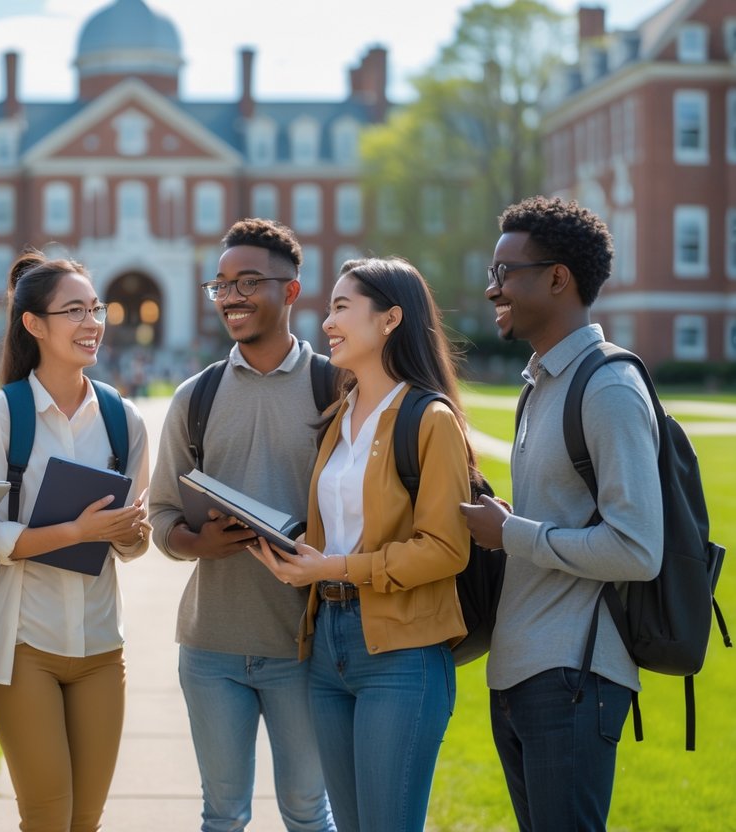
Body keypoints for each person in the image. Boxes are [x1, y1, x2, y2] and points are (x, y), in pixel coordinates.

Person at [249, 257, 473, 832]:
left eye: (343, 308)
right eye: (329, 310)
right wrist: (296, 557)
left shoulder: (430, 419)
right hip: (327, 648)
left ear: (391, 318)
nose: (327, 323)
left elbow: (447, 548)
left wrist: (337, 566)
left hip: (401, 653)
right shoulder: (338, 416)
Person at [460, 196, 662, 831]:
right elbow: (562, 519)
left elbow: (637, 548)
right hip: (520, 671)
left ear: (557, 277)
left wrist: (512, 532)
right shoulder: (541, 383)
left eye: (504, 273)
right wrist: (507, 523)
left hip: (574, 678)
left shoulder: (607, 387)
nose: (493, 288)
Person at [148, 218, 334, 832]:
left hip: (305, 646)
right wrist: (193, 541)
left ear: (292, 291)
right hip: (211, 648)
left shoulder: (336, 389)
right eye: (221, 283)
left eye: (248, 281)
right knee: (221, 815)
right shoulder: (194, 398)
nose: (231, 295)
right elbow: (161, 517)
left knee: (308, 811)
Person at [0, 248, 150, 832]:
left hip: (100, 646)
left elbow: (133, 544)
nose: (92, 322)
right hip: (21, 646)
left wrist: (130, 534)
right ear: (34, 324)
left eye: (95, 308)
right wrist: (75, 531)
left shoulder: (125, 421)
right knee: (47, 816)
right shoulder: (1, 416)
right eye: (74, 311)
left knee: (86, 820)